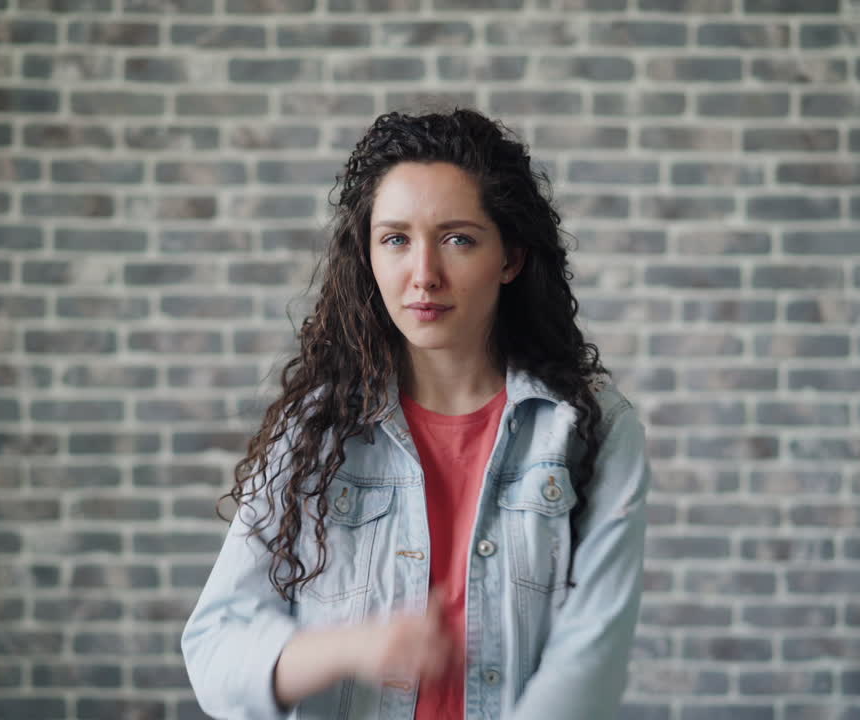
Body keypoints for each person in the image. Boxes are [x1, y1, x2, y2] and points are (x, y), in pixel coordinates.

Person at [181, 108, 651, 720]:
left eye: (458, 239)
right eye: (396, 239)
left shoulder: (593, 430)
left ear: (509, 258)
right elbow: (215, 650)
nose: (423, 275)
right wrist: (352, 648)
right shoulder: (315, 431)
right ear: (368, 256)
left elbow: (591, 662)